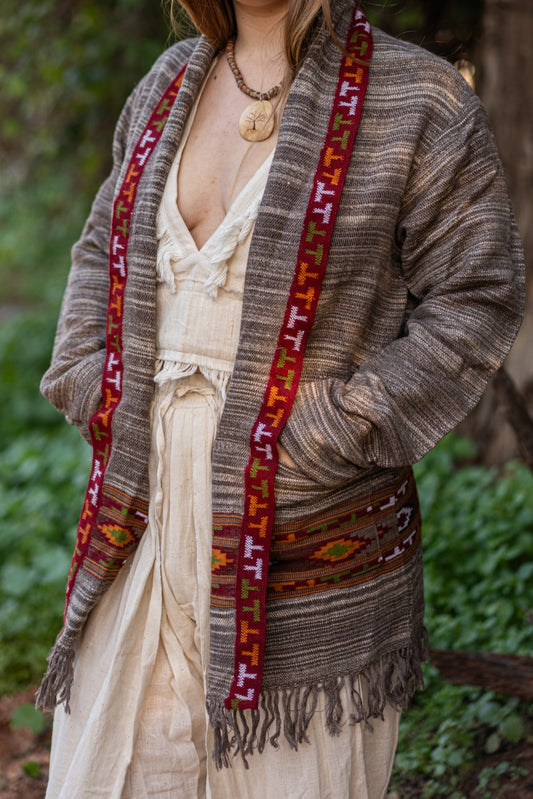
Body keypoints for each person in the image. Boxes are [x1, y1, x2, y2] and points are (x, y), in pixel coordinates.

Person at [37, 0, 524, 797]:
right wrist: (94, 384)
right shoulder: (166, 84)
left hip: (305, 549)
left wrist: (327, 433)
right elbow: (100, 250)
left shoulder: (420, 100)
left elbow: (477, 298)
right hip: (138, 537)